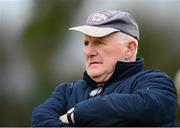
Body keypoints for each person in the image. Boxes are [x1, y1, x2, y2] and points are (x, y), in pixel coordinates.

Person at [31, 10, 177, 126]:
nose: (89, 52)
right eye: (86, 43)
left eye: (99, 42)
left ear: (129, 49)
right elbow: (40, 120)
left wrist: (75, 115)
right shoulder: (66, 92)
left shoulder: (157, 83)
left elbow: (147, 106)